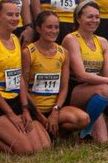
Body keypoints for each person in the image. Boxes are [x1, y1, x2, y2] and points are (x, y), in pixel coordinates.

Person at [0, 0, 51, 155]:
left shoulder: (16, 39)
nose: (15, 18)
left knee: (43, 146)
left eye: (17, 14)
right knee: (24, 150)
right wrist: (11, 115)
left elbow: (20, 77)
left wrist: (25, 109)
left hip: (14, 101)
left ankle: (0, 132)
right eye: (9, 14)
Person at [62, 0, 108, 143]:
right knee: (105, 88)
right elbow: (80, 74)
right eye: (90, 17)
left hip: (96, 90)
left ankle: (95, 126)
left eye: (97, 17)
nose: (94, 20)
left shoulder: (102, 41)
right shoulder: (71, 39)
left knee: (102, 141)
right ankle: (83, 134)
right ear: (79, 18)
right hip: (75, 90)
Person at [25, 10, 91, 140]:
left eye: (56, 27)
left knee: (83, 119)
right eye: (49, 27)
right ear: (38, 28)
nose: (54, 31)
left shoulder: (63, 53)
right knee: (42, 145)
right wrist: (39, 115)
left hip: (54, 108)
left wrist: (55, 111)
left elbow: (64, 87)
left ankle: (57, 131)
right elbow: (23, 88)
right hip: (34, 110)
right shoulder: (28, 52)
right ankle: (45, 131)